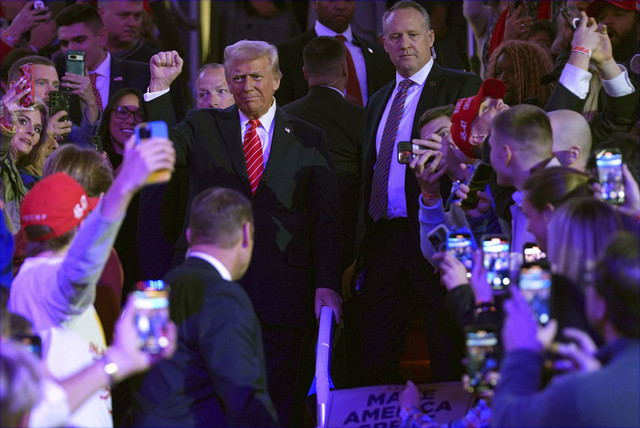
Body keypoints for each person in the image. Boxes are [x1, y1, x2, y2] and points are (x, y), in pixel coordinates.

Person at [142, 42, 342, 426]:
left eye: (256, 76)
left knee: (276, 407)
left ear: (277, 80)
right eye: (237, 77)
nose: (247, 85)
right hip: (210, 299)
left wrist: (327, 282)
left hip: (283, 293)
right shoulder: (202, 126)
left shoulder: (308, 136)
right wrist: (159, 89)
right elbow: (156, 154)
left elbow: (326, 218)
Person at [7, 130, 175, 424]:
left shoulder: (27, 276)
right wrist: (124, 186)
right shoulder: (52, 281)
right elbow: (83, 265)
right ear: (81, 221)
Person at [354, 0, 482, 386]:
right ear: (384, 43)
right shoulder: (377, 100)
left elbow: (474, 156)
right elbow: (368, 174)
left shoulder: (462, 85)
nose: (404, 43)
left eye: (413, 34)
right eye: (395, 36)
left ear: (430, 38)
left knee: (447, 349)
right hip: (384, 238)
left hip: (439, 232)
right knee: (373, 354)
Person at [132, 187, 278, 427]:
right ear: (245, 233)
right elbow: (243, 397)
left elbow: (139, 384)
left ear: (190, 235)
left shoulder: (154, 292)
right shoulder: (224, 297)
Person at [492, 231, 640, 427]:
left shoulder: (578, 393)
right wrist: (601, 366)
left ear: (601, 306)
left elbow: (507, 420)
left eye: (591, 281)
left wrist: (521, 354)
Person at [282, 35, 364, 271]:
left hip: (293, 236)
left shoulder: (283, 117)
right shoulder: (361, 117)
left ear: (305, 73)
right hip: (346, 234)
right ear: (345, 71)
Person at [277, 0, 395, 106]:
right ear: (314, 3)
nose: (341, 5)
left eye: (348, 0)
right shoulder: (287, 54)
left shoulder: (379, 57)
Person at [53, 3, 150, 126]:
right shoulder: (58, 83)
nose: (71, 49)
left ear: (102, 37)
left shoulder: (142, 74)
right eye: (64, 43)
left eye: (79, 40)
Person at [7, 55, 100, 148]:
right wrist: (45, 136)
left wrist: (91, 103)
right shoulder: (4, 125)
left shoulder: (57, 119)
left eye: (55, 86)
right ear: (16, 87)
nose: (51, 91)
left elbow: (85, 145)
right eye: (41, 83)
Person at [485, 39, 555, 108]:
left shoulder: (546, 117)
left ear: (531, 77)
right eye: (498, 72)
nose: (502, 79)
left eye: (512, 72)